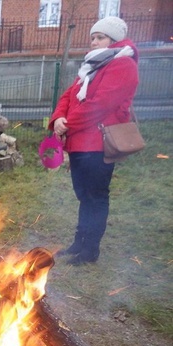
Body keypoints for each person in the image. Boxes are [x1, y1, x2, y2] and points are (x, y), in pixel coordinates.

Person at [49, 16, 139, 265]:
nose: (94, 42)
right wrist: (58, 117)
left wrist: (67, 124)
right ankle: (79, 242)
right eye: (93, 37)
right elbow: (69, 95)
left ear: (114, 39)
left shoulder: (123, 65)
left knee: (96, 197)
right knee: (83, 195)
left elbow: (100, 105)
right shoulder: (91, 66)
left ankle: (90, 251)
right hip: (80, 143)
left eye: (100, 37)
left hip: (99, 144)